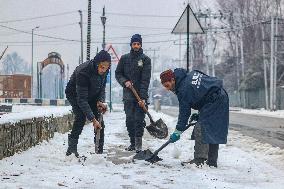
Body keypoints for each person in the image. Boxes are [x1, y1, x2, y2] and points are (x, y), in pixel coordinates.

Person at [160, 68, 229, 167]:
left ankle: (199, 160)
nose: (168, 89)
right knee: (211, 129)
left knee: (201, 128)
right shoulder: (189, 76)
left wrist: (178, 131)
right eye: (165, 87)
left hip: (215, 99)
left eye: (167, 85)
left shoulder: (183, 89)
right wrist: (201, 112)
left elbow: (184, 113)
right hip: (219, 95)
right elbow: (203, 90)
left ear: (172, 80)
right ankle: (211, 161)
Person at [65, 50, 111, 157]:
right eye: (101, 67)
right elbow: (82, 100)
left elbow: (102, 87)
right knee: (81, 117)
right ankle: (71, 149)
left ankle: (99, 152)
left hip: (92, 94)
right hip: (75, 94)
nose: (103, 70)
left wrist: (100, 101)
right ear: (96, 63)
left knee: (100, 121)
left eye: (106, 68)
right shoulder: (83, 72)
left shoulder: (105, 71)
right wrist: (93, 119)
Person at [115, 34, 151, 153]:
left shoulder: (145, 60)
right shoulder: (124, 59)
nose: (136, 46)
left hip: (140, 95)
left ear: (141, 45)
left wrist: (143, 98)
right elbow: (118, 73)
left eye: (138, 44)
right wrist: (124, 82)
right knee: (129, 119)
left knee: (138, 119)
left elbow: (146, 80)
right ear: (131, 45)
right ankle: (132, 143)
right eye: (134, 44)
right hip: (128, 96)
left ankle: (138, 145)